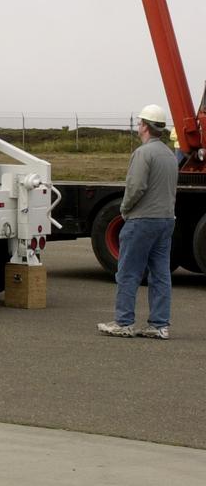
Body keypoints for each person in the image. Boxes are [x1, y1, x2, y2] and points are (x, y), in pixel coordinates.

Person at [98, 104, 178, 340]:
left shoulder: (143, 153)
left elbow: (136, 187)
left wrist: (124, 209)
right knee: (160, 274)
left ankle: (124, 322)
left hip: (142, 220)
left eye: (140, 122)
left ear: (144, 126)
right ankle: (159, 324)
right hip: (166, 219)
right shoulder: (170, 155)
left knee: (128, 272)